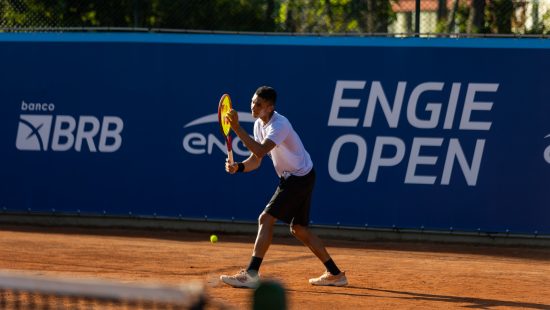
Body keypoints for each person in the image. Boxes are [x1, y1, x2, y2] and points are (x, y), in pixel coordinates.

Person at [219, 86, 348, 288]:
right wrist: (239, 167)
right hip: (301, 176)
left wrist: (236, 128)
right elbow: (256, 160)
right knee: (299, 229)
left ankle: (251, 274)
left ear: (270, 107)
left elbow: (261, 151)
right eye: (253, 102)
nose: (253, 106)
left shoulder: (280, 125)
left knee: (265, 219)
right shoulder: (258, 125)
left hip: (298, 177)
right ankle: (336, 274)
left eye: (259, 104)